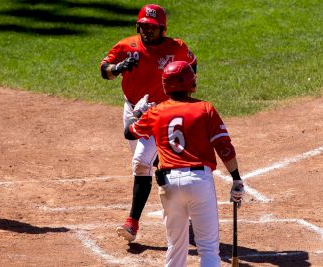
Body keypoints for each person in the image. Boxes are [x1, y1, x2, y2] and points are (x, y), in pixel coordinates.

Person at [124, 61, 245, 267]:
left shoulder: (156, 112)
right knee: (208, 248)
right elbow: (224, 147)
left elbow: (129, 132)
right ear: (190, 83)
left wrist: (138, 111)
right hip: (199, 182)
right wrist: (236, 179)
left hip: (168, 184)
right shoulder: (205, 109)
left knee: (175, 247)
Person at [99, 4, 197, 242]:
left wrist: (183, 95)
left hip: (160, 114)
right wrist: (118, 68)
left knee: (141, 163)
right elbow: (104, 70)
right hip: (132, 109)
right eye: (143, 27)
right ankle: (187, 210)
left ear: (162, 29)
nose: (147, 31)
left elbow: (191, 66)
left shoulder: (177, 48)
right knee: (155, 165)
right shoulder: (127, 46)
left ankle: (132, 223)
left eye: (152, 28)